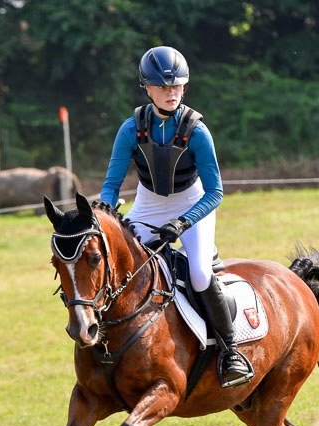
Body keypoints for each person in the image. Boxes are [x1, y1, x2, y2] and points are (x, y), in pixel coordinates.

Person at [100, 45, 252, 387]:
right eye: (162, 86)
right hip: (148, 205)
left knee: (199, 274)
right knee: (120, 262)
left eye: (177, 85)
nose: (171, 92)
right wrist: (106, 214)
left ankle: (231, 352)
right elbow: (111, 186)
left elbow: (215, 192)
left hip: (193, 205)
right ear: (146, 89)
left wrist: (183, 222)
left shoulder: (197, 131)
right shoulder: (130, 129)